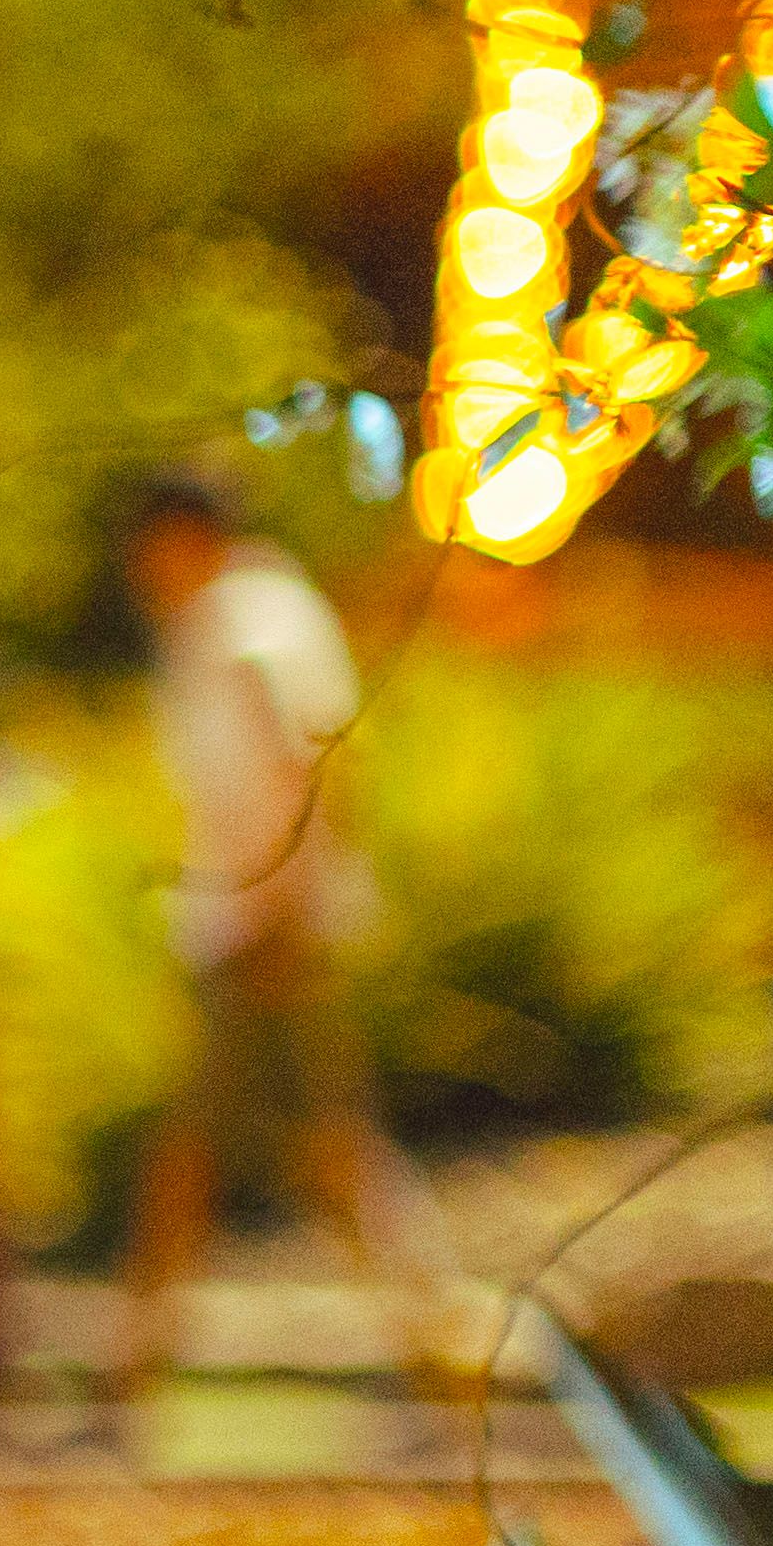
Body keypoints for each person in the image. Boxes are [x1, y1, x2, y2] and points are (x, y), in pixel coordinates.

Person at [106, 472, 450, 1418]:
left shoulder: (244, 624)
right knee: (323, 1146)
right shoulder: (251, 614)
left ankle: (135, 1372)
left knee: (221, 1144)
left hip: (265, 929)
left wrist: (285, 909)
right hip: (256, 923)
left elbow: (306, 767)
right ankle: (433, 1350)